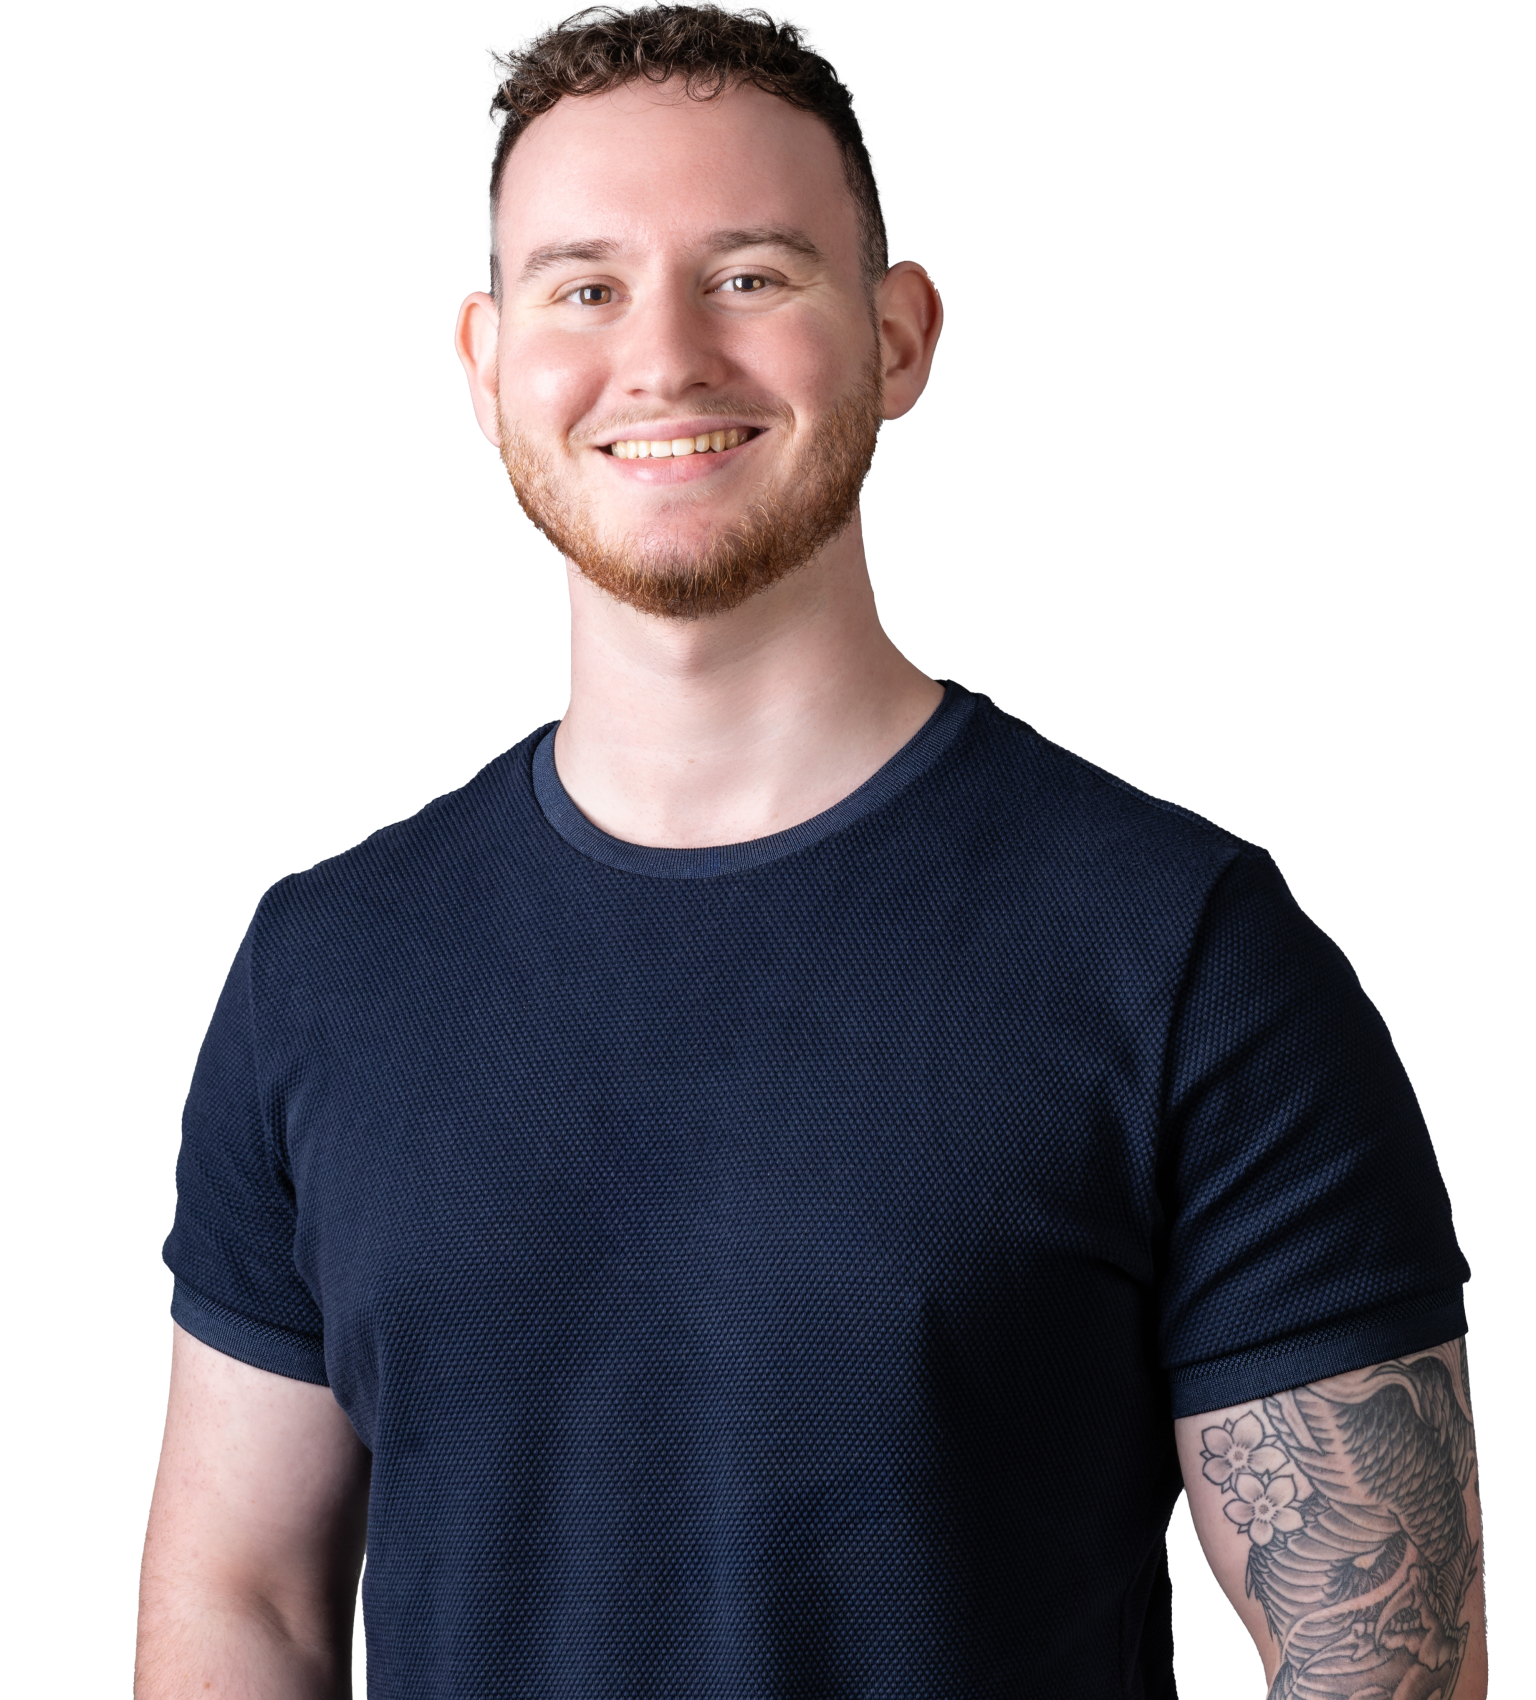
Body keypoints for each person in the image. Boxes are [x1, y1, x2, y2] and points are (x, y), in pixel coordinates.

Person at [135, 5, 1486, 1695]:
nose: (668, 357)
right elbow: (242, 1599)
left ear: (900, 338)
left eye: (754, 274)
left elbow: (1380, 1651)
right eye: (585, 288)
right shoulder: (319, 968)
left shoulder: (1185, 956)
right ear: (485, 368)